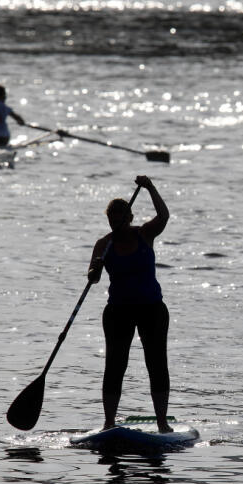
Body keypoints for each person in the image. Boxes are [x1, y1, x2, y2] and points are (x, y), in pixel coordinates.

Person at [87, 175, 172, 433]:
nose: (116, 224)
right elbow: (94, 275)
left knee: (156, 363)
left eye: (120, 218)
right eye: (111, 220)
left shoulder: (144, 234)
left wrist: (150, 188)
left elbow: (164, 216)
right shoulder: (104, 244)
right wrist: (94, 271)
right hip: (118, 312)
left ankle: (162, 422)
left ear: (130, 218)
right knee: (115, 365)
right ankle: (109, 422)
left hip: (151, 310)